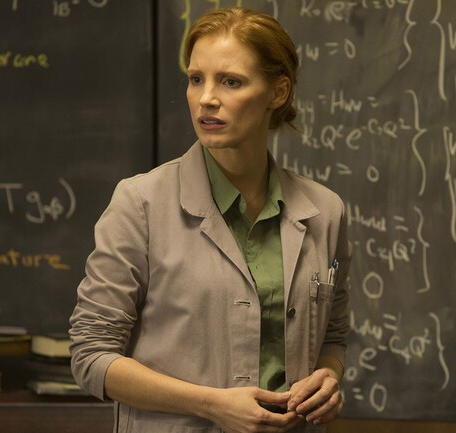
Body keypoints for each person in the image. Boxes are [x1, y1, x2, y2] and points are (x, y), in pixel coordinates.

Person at [69, 7, 351, 433]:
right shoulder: (141, 203)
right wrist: (212, 404)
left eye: (230, 81)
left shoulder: (325, 211)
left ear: (278, 92)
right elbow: (91, 357)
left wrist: (327, 377)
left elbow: (333, 338)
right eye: (196, 79)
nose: (206, 98)